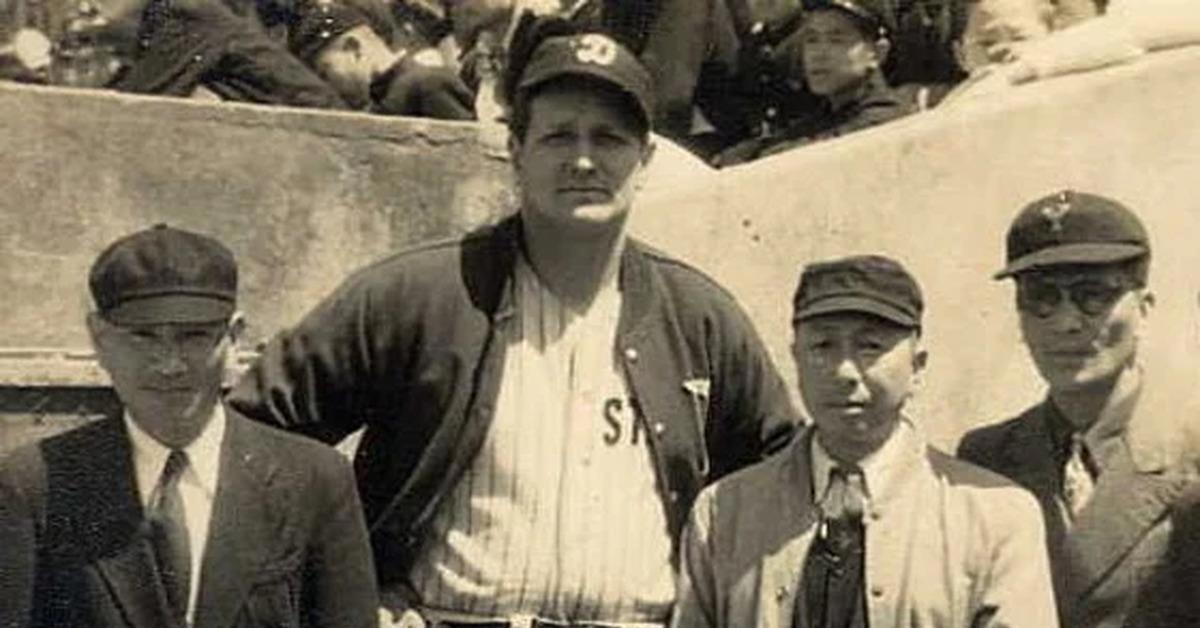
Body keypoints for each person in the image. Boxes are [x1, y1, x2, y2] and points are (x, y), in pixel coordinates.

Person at [229, 22, 798, 627]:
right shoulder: (418, 295)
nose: (584, 159)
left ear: (646, 159)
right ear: (516, 152)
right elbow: (250, 437)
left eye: (609, 138)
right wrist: (343, 589)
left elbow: (786, 476)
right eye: (558, 136)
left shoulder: (697, 317)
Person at [0, 225, 378, 628]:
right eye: (142, 337)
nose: (169, 364)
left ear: (234, 337)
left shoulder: (313, 480)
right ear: (100, 338)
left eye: (194, 336)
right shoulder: (38, 484)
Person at [672, 255, 1058, 627]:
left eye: (870, 346)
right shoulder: (725, 512)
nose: (844, 371)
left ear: (917, 366)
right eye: (823, 346)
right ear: (796, 359)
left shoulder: (994, 517)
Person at [957, 190, 1200, 627]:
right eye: (1042, 298)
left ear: (1144, 309)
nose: (1066, 323)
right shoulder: (986, 459)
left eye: (1094, 296)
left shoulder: (1192, 447)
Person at [713, 0, 915, 167]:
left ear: (878, 53)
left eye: (836, 40)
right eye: (812, 39)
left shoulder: (884, 118)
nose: (818, 54)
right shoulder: (828, 114)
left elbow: (810, 152)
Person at [291, 0, 474, 119]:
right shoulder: (381, 100)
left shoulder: (429, 84)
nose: (330, 85)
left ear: (353, 48)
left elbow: (469, 156)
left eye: (326, 71)